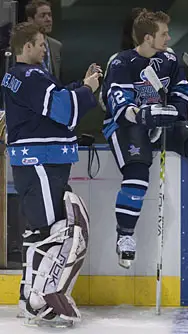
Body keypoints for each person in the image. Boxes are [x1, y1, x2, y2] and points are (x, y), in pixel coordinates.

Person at [101, 9, 188, 269]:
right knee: (137, 176)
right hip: (128, 125)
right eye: (164, 33)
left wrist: (173, 111)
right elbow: (116, 99)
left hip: (164, 120)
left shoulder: (169, 59)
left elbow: (181, 90)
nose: (169, 38)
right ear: (148, 38)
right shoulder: (121, 62)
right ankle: (125, 236)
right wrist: (140, 115)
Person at [1, 22, 102, 326]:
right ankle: (40, 297)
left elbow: (51, 103)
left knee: (38, 231)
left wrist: (80, 85)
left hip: (37, 162)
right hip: (41, 162)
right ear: (26, 47)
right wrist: (88, 90)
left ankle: (28, 298)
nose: (45, 50)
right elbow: (62, 111)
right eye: (41, 44)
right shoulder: (30, 75)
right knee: (60, 231)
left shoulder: (18, 77)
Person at [25, 0, 62, 80]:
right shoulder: (22, 47)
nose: (48, 19)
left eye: (49, 15)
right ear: (30, 20)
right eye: (43, 16)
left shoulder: (56, 46)